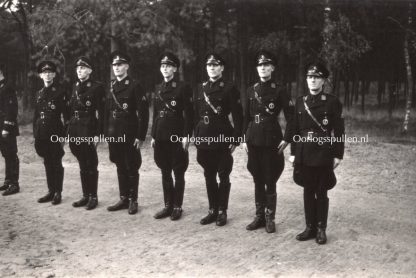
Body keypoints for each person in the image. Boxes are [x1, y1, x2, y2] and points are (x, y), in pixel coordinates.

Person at [289, 63, 344, 244]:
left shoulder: (332, 101)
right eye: (310, 77)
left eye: (317, 77)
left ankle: (321, 228)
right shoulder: (300, 101)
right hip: (304, 152)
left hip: (322, 153)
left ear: (323, 81)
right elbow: (295, 130)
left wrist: (338, 154)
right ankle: (309, 227)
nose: (312, 80)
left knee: (321, 191)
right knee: (307, 191)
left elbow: (339, 130)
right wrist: (293, 152)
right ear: (306, 80)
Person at [242, 50, 294, 233]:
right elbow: (245, 117)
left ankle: (270, 217)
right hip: (254, 140)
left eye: (266, 65)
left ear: (272, 68)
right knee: (257, 178)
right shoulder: (251, 90)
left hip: (272, 140)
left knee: (270, 179)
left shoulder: (280, 90)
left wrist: (287, 138)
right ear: (257, 68)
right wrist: (243, 138)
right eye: (260, 65)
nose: (263, 68)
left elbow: (291, 117)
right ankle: (259, 217)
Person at [194, 52, 243, 226]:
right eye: (209, 65)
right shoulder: (201, 87)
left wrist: (237, 138)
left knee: (223, 174)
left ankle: (222, 211)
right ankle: (212, 210)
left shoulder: (229, 87)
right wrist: (195, 135)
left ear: (221, 68)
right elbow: (195, 114)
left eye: (215, 65)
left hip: (222, 136)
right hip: (204, 137)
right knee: (208, 175)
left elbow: (238, 116)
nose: (212, 68)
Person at [105, 50, 149, 215]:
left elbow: (143, 114)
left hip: (129, 134)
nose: (117, 67)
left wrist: (140, 136)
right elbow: (106, 113)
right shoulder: (112, 86)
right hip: (114, 134)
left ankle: (133, 200)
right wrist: (105, 134)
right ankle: (123, 198)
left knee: (131, 166)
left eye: (120, 64)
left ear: (127, 67)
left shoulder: (135, 85)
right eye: (114, 65)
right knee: (119, 165)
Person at [151, 52, 193, 220]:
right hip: (160, 135)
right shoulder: (158, 88)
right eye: (162, 66)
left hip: (176, 135)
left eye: (168, 66)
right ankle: (168, 205)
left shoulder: (183, 87)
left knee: (178, 172)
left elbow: (190, 114)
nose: (165, 68)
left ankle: (177, 206)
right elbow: (155, 114)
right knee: (165, 171)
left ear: (175, 69)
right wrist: (153, 135)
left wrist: (186, 136)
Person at [67, 56, 105, 210]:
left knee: (90, 162)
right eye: (77, 69)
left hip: (88, 129)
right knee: (82, 162)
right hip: (75, 128)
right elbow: (71, 109)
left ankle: (93, 197)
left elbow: (102, 113)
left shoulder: (97, 87)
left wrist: (98, 134)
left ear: (89, 70)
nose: (79, 71)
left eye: (82, 68)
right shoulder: (75, 86)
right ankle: (85, 195)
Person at [33, 60, 68, 205]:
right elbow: (35, 116)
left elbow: (67, 117)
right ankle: (50, 191)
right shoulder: (39, 93)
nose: (47, 75)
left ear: (54, 74)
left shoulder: (60, 92)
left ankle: (58, 192)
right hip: (42, 133)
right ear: (40, 75)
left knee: (56, 162)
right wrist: (35, 133)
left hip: (55, 132)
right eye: (44, 73)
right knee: (47, 161)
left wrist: (64, 136)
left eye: (49, 72)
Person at [0, 64, 20, 196]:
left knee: (11, 154)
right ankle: (8, 180)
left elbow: (11, 109)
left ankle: (14, 184)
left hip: (7, 127)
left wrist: (7, 127)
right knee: (5, 154)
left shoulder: (7, 87)